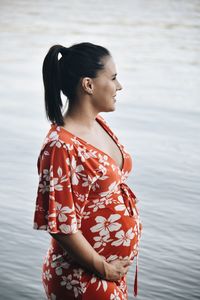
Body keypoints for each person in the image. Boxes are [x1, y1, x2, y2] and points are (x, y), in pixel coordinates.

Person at [33, 42, 142, 300]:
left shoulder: (99, 124)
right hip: (82, 277)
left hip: (110, 272)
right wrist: (104, 268)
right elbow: (60, 225)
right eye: (113, 78)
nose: (120, 86)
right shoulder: (60, 146)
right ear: (88, 85)